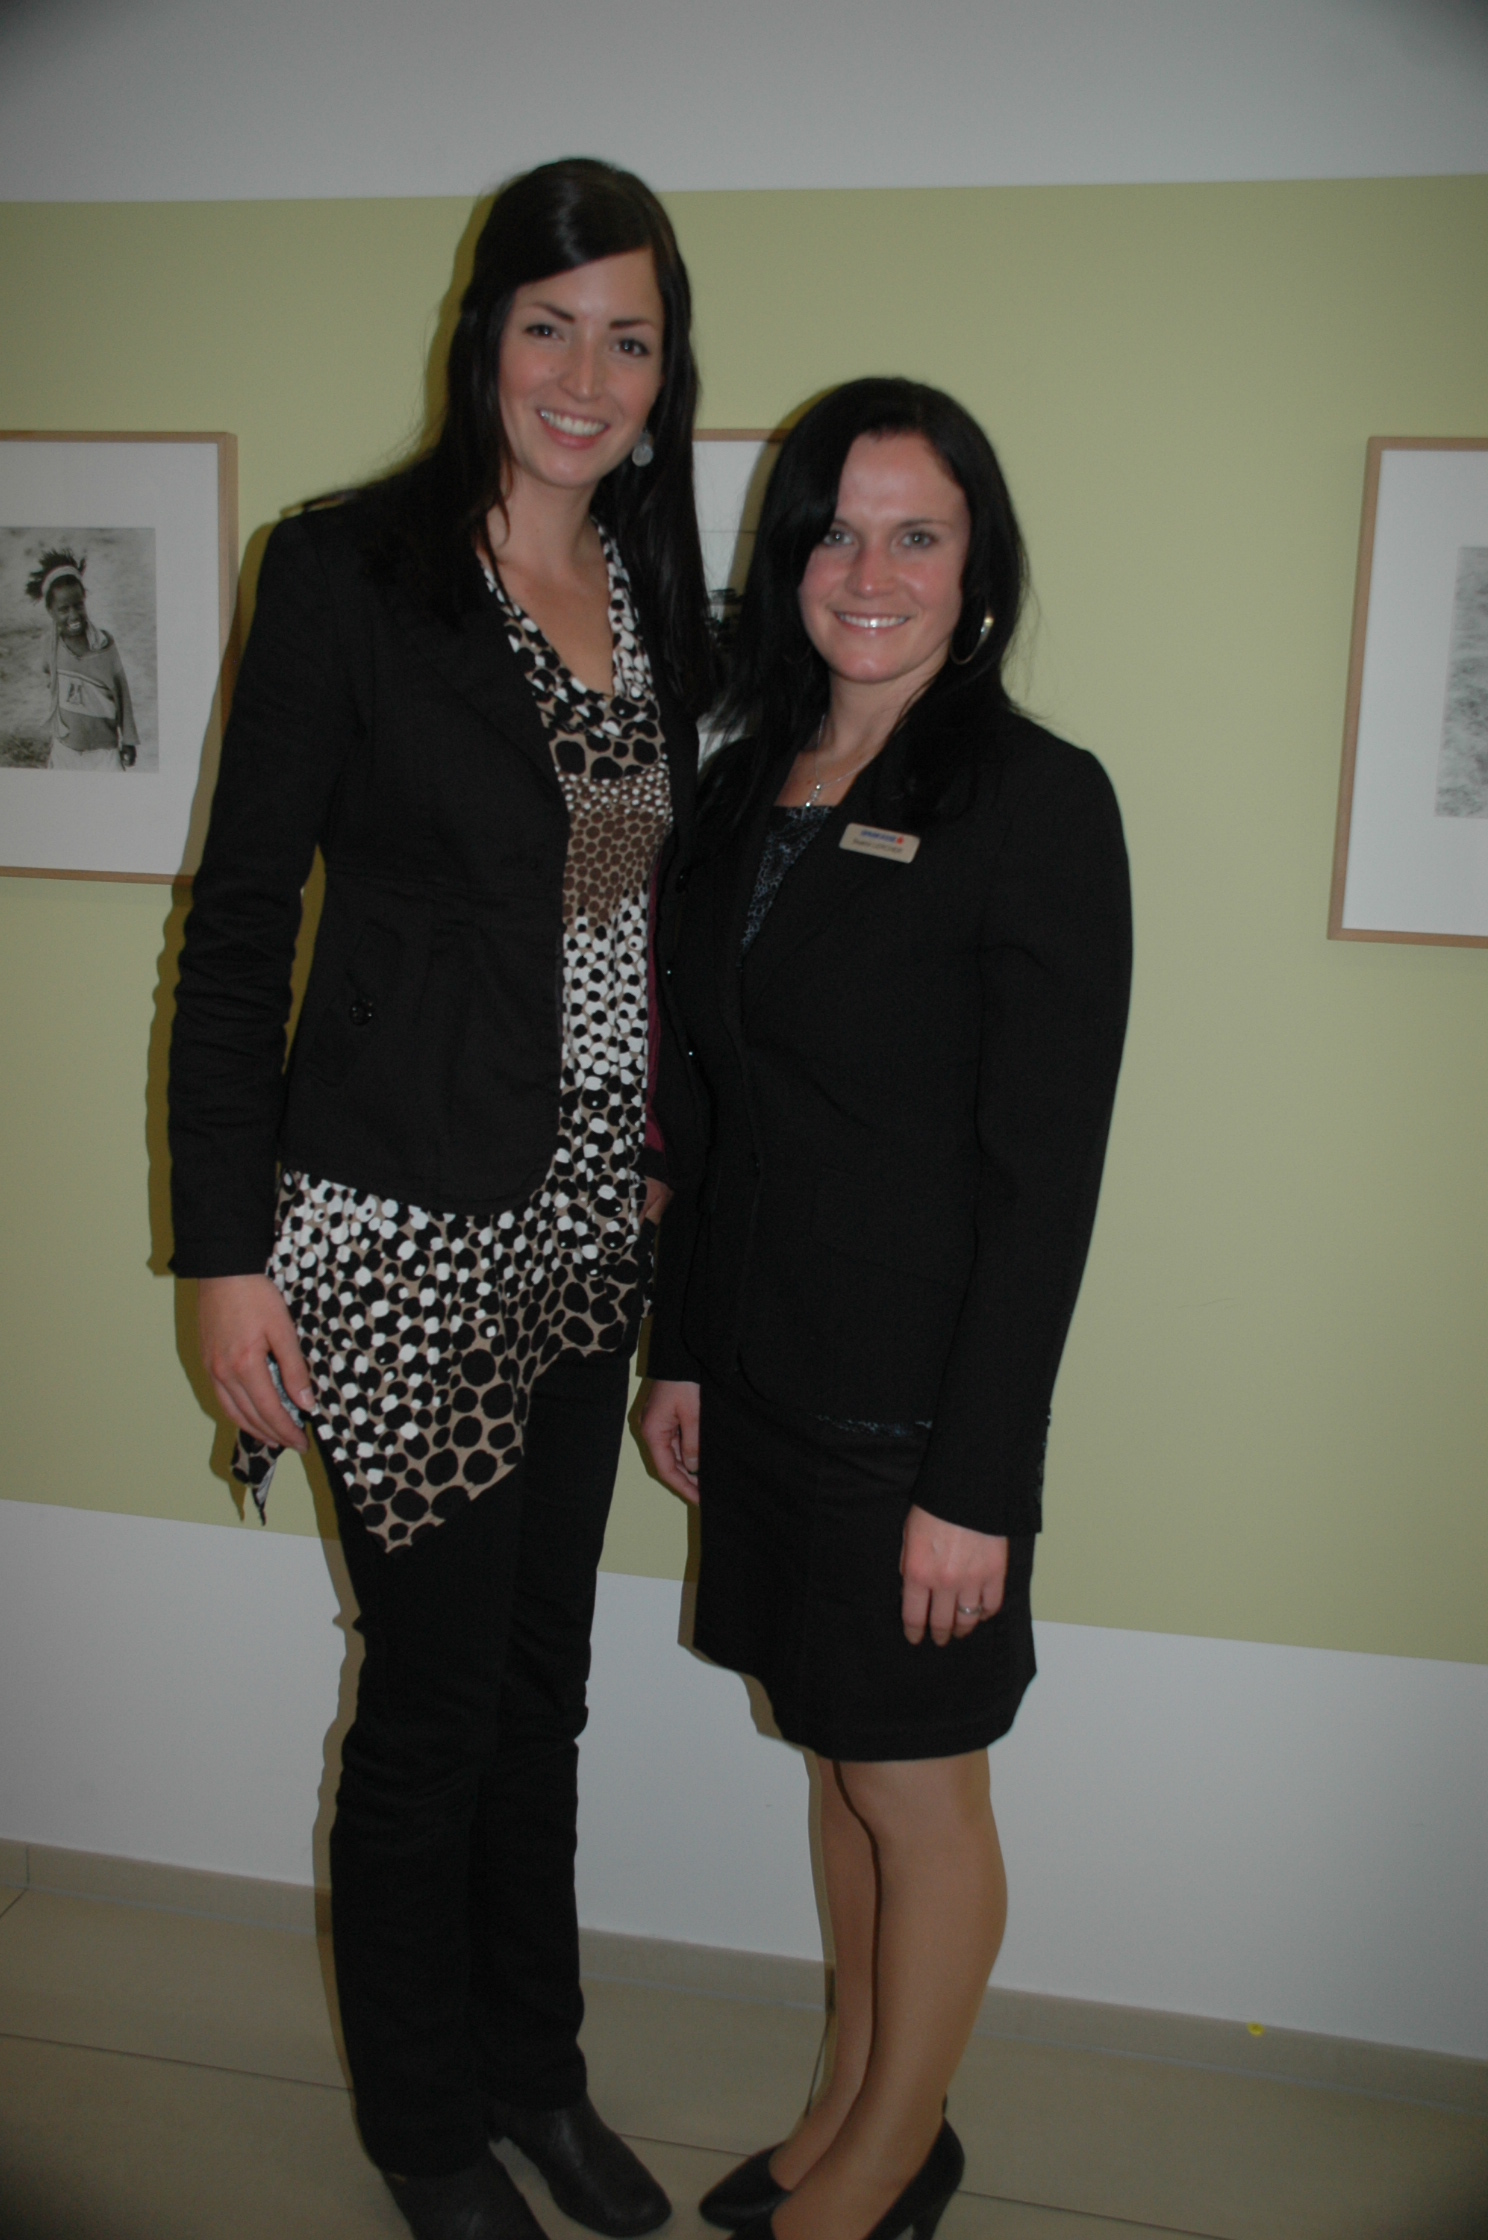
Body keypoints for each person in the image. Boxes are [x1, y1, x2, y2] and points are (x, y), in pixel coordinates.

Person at [169, 158, 715, 2240]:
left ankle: (531, 2072)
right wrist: (226, 1254)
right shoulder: (348, 572)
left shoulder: (659, 600)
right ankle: (424, 2125)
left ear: (665, 371)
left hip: (586, 1234)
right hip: (390, 1238)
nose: (585, 373)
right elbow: (239, 928)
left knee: (539, 1692)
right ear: (483, 333)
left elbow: (648, 939)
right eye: (549, 324)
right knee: (428, 1709)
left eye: (628, 337)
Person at [641, 379, 1131, 2240]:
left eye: (916, 533)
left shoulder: (1034, 802)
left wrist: (976, 1485)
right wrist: (684, 1352)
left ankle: (888, 2162)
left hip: (912, 1420)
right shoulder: (741, 785)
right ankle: (854, 2105)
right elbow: (712, 1116)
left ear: (975, 570)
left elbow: (1041, 1184)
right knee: (842, 1769)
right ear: (788, 562)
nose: (870, 570)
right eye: (836, 531)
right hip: (762, 1386)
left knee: (919, 1799)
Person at [25, 547, 140, 769]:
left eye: (78, 605)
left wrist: (129, 739)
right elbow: (49, 675)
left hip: (104, 754)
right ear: (50, 610)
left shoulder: (104, 646)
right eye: (63, 609)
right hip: (65, 751)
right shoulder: (49, 645)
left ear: (84, 600)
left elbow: (122, 692)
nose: (73, 615)